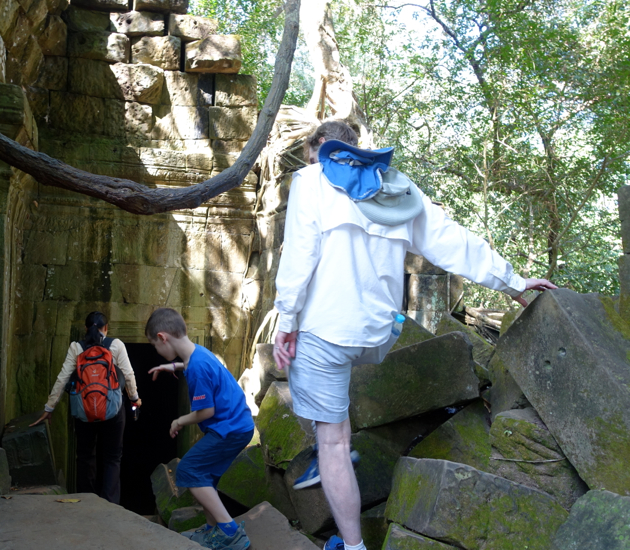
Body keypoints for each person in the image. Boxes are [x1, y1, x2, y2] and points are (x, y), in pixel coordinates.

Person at [273, 120, 557, 550]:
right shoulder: (395, 185)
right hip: (375, 333)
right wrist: (514, 282)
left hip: (325, 332)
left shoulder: (311, 181)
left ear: (320, 150)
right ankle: (336, 445)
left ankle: (351, 543)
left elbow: (299, 255)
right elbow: (450, 240)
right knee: (337, 416)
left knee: (331, 441)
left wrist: (285, 321)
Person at [146, 308, 255, 550]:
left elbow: (206, 412)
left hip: (230, 428)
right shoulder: (198, 353)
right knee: (205, 476)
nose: (156, 351)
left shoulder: (196, 368)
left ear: (163, 337)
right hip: (238, 424)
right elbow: (190, 364)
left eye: (154, 345)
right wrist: (171, 367)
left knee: (189, 469)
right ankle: (212, 530)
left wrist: (179, 421)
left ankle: (230, 531)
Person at [31, 311, 141, 504]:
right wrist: (135, 399)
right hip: (113, 411)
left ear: (85, 328)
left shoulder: (77, 347)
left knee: (84, 455)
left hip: (84, 411)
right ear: (106, 328)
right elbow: (129, 375)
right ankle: (110, 505)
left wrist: (49, 408)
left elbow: (63, 378)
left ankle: (86, 501)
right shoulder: (116, 345)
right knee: (112, 457)